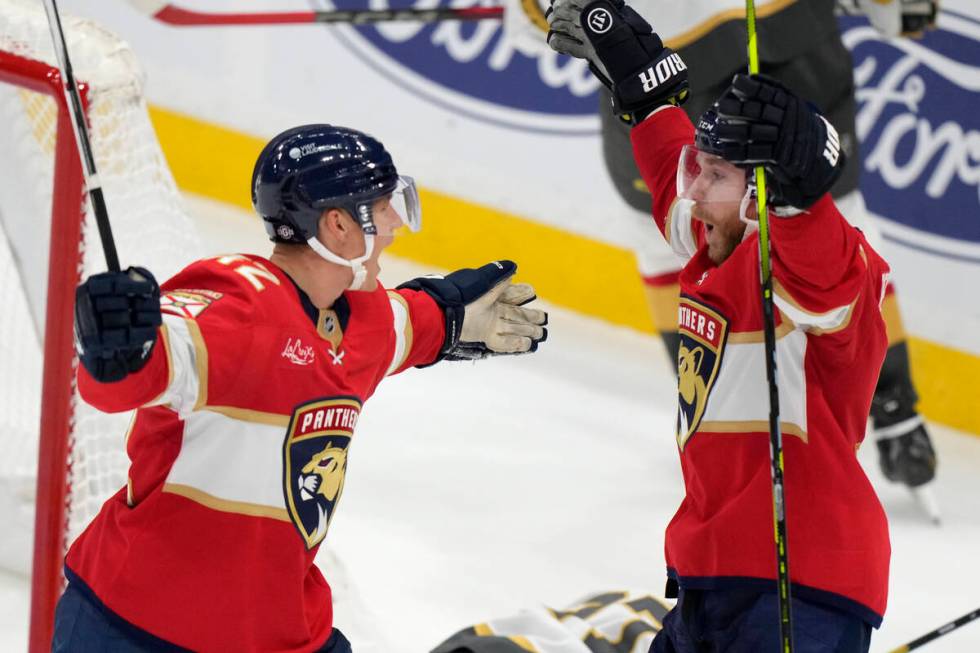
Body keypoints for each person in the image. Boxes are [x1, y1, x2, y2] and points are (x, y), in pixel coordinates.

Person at [55, 124, 548, 652]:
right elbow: (141, 372)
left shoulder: (366, 317)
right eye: (383, 208)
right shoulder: (235, 306)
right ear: (337, 224)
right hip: (139, 625)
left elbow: (414, 324)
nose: (395, 226)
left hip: (281, 628)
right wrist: (121, 350)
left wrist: (454, 317)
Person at [548, 2, 890, 650]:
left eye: (716, 175)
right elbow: (668, 172)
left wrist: (799, 199)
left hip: (801, 582)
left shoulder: (813, 277)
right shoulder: (712, 237)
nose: (694, 187)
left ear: (765, 195)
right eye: (700, 167)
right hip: (712, 572)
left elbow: (827, 272)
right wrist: (648, 100)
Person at [588, 0, 939, 498]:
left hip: (665, 65)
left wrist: (566, 19)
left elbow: (547, 18)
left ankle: (708, 403)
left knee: (672, 237)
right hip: (789, 36)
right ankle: (895, 413)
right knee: (832, 220)